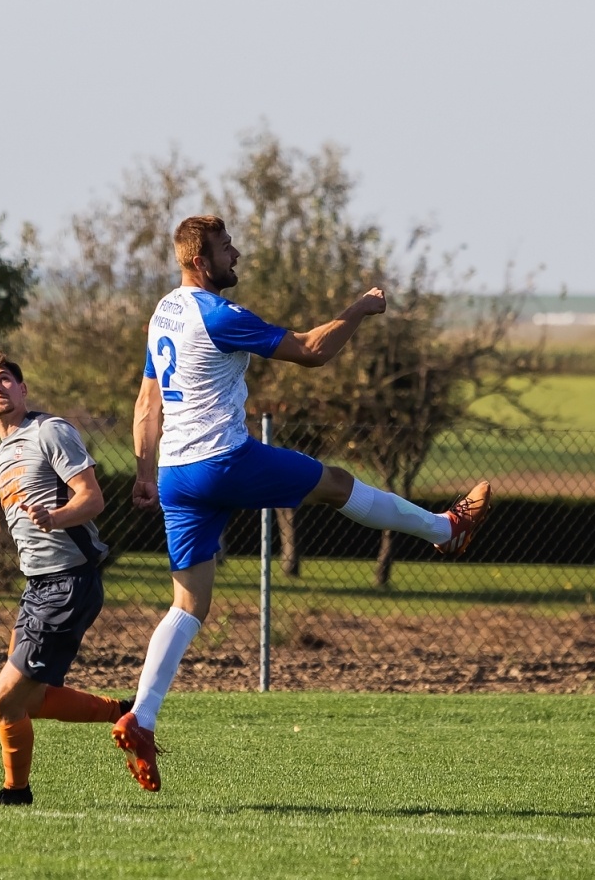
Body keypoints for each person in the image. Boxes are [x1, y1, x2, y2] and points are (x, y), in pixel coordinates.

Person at [110, 215, 493, 792]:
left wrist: (143, 473)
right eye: (225, 247)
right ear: (199, 261)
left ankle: (141, 718)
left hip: (175, 476)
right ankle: (445, 529)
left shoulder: (164, 312)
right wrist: (360, 308)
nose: (236, 254)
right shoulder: (220, 315)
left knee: (187, 605)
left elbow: (146, 402)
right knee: (337, 484)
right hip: (223, 460)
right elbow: (312, 351)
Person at [0, 350, 130, 806]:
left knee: (4, 699)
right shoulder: (4, 448)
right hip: (39, 586)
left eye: (5, 379)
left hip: (68, 583)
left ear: (22, 390)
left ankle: (16, 793)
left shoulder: (50, 430)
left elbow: (92, 499)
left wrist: (56, 517)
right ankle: (126, 712)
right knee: (31, 701)